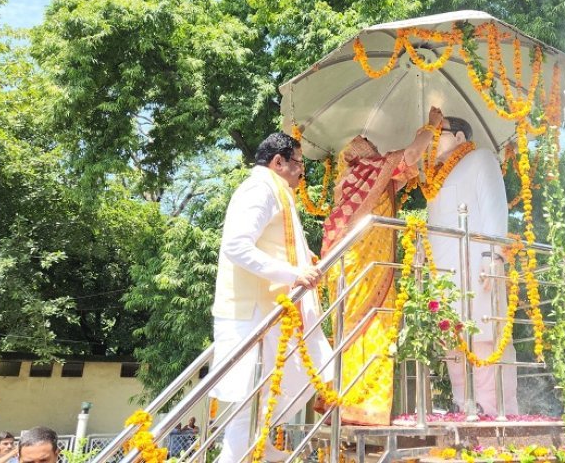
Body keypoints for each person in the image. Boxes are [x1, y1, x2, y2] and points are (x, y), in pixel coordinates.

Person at [210, 132, 333, 463]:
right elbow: (237, 246)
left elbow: (276, 244)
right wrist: (293, 274)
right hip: (252, 312)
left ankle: (258, 446)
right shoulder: (260, 189)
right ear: (278, 162)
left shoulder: (275, 191)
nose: (302, 171)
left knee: (277, 386)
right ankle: (244, 452)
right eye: (298, 163)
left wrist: (304, 261)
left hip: (269, 310)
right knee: (251, 397)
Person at [319, 107, 440, 425]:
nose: (376, 149)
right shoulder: (370, 170)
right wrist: (431, 126)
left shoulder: (360, 185)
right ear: (361, 154)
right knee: (370, 327)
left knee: (358, 329)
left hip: (353, 267)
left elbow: (401, 175)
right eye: (370, 146)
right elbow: (409, 156)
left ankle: (350, 404)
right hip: (363, 265)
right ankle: (359, 406)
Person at [426, 116, 519, 416]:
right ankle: (462, 405)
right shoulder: (435, 181)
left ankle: (494, 411)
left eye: (438, 134)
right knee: (453, 343)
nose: (431, 141)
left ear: (459, 137)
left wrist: (494, 255)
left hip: (478, 267)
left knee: (485, 338)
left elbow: (494, 208)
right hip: (444, 275)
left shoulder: (481, 159)